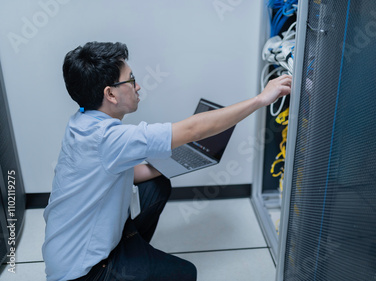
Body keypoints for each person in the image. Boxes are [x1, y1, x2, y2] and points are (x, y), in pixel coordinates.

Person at [41, 41, 292, 281]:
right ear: (110, 94)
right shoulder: (109, 138)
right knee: (186, 274)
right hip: (84, 273)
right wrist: (261, 99)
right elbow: (194, 130)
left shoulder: (80, 122)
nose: (137, 86)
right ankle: (120, 265)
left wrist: (179, 163)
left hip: (65, 250)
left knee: (156, 185)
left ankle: (131, 250)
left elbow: (126, 173)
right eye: (131, 80)